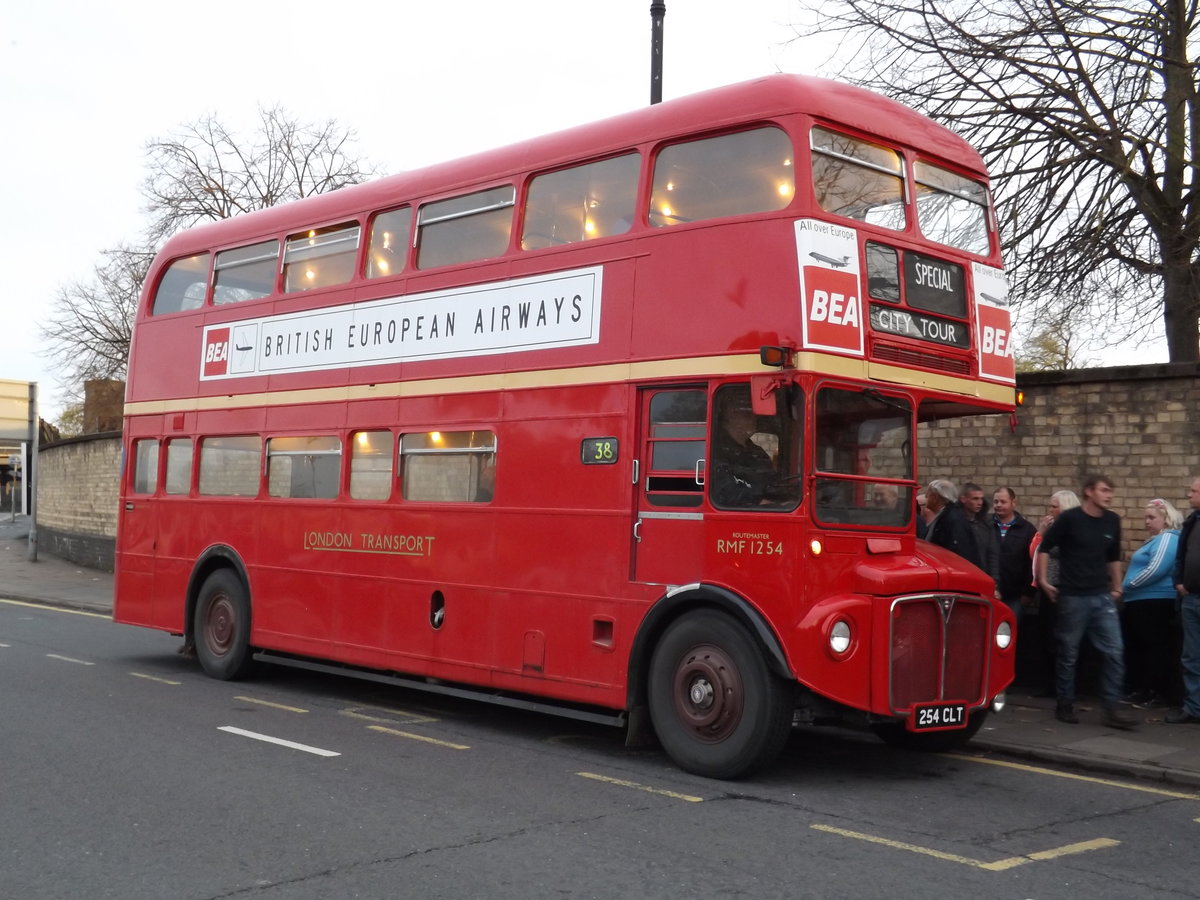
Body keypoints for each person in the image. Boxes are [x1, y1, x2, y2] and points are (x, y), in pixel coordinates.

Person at [1036, 475, 1136, 729]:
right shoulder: (1070, 519)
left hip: (1101, 597)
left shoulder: (1113, 520)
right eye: (1104, 490)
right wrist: (1044, 581)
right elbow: (1045, 547)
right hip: (1073, 596)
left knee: (1114, 651)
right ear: (1089, 492)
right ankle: (1065, 704)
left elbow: (1113, 556)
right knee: (1069, 653)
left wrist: (1117, 585)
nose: (1109, 495)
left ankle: (1111, 708)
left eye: (1111, 491)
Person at [1120, 498, 1182, 709]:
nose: (1146, 522)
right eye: (1145, 517)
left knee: (1156, 648)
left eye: (1151, 517)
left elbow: (1157, 568)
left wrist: (1128, 585)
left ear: (1166, 519)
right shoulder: (1154, 539)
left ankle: (1159, 693)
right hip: (1139, 600)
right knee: (1141, 648)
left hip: (1154, 601)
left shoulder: (1167, 538)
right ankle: (1143, 690)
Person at [710, 394, 788, 508]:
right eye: (746, 414)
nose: (753, 419)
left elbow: (771, 481)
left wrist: (783, 499)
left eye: (753, 414)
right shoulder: (717, 450)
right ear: (728, 417)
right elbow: (724, 490)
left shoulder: (756, 451)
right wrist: (760, 503)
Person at [1169, 476, 1200, 725]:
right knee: (1190, 657)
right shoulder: (1191, 522)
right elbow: (1181, 555)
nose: (1189, 495)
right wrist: (1178, 581)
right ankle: (1193, 707)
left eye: (1193, 491)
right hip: (1190, 598)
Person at [992, 487, 1037, 617]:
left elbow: (1032, 563)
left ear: (1013, 503)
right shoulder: (985, 525)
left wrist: (1029, 592)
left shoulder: (1027, 529)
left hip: (1015, 595)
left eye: (1003, 501)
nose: (998, 505)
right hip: (989, 591)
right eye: (996, 502)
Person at [923, 478, 982, 568]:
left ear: (935, 498)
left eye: (928, 495)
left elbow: (958, 553)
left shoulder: (953, 519)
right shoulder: (946, 516)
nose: (926, 497)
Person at [962, 482, 1000, 586]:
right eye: (975, 499)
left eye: (981, 499)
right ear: (964, 499)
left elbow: (992, 554)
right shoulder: (957, 523)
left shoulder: (986, 524)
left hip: (982, 576)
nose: (979, 502)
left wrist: (994, 582)